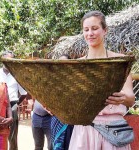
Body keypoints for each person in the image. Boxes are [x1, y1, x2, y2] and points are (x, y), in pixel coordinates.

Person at [52, 11, 135, 150]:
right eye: (86, 30)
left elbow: (131, 99)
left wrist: (122, 98)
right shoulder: (76, 65)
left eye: (95, 28)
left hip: (113, 131)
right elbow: (70, 100)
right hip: (85, 130)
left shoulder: (120, 62)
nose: (90, 33)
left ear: (105, 30)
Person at [0, 50, 27, 150]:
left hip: (12, 105)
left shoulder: (16, 75)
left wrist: (16, 104)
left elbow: (24, 93)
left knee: (12, 135)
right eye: (6, 60)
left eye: (10, 60)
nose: (8, 62)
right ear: (2, 60)